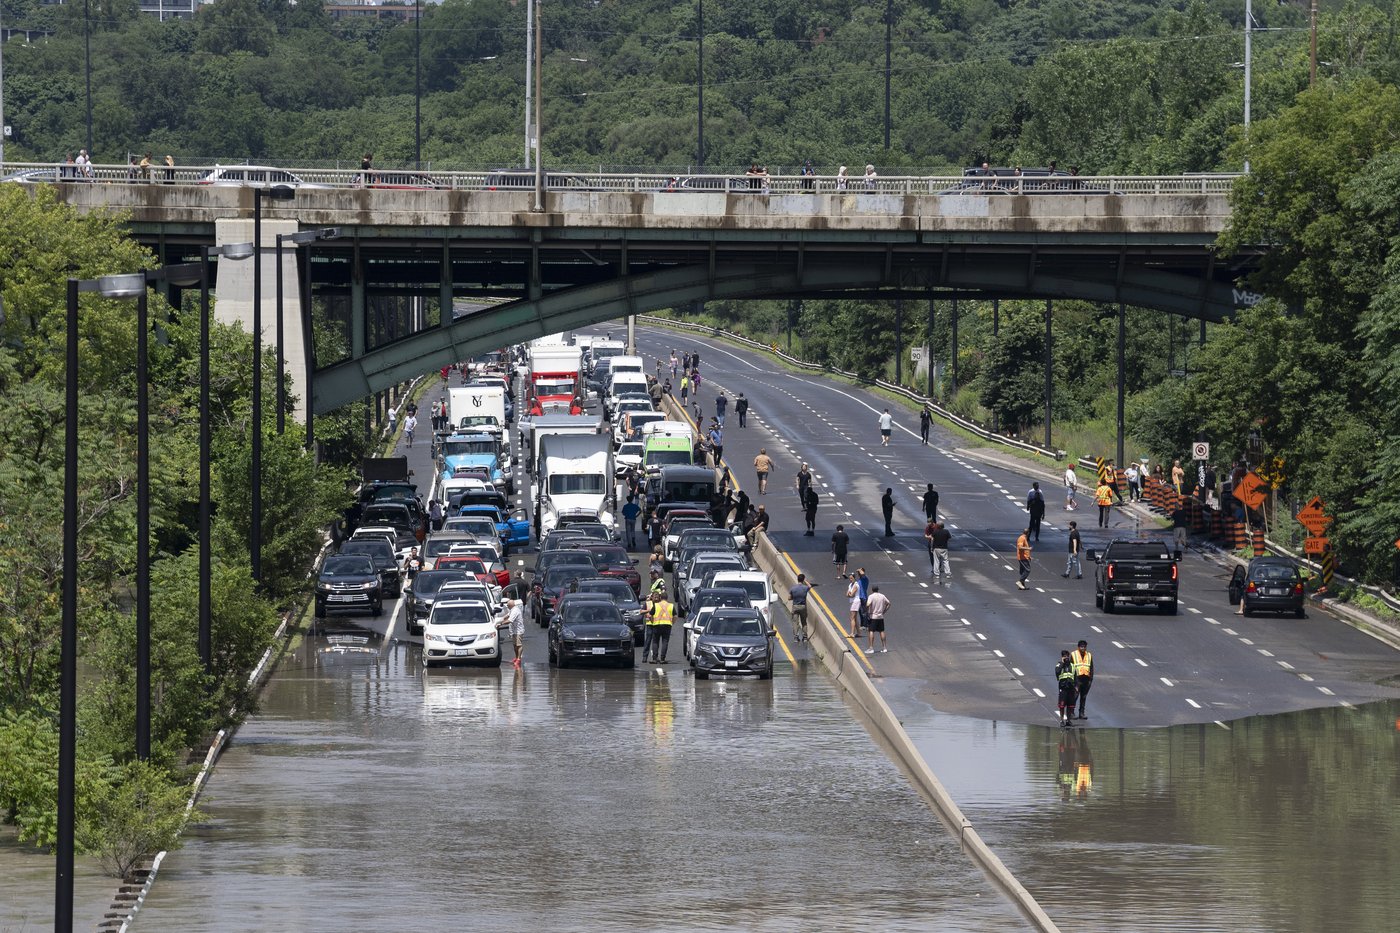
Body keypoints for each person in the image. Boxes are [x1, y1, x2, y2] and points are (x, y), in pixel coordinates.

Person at [645, 589, 675, 663]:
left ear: (660, 598)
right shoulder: (671, 605)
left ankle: (655, 659)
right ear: (667, 598)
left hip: (657, 625)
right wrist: (672, 622)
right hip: (667, 625)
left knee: (655, 642)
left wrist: (652, 621)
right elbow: (675, 616)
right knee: (665, 642)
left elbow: (649, 615)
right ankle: (662, 659)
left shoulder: (656, 605)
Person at [1071, 640, 1094, 719]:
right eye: (1081, 647)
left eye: (1084, 647)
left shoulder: (1089, 655)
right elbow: (1071, 668)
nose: (1083, 648)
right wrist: (1073, 682)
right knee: (1075, 696)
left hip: (1086, 679)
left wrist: (1091, 680)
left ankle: (1081, 713)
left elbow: (1091, 668)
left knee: (1083, 697)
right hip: (1077, 679)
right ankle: (1071, 712)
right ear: (1078, 647)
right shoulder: (1074, 654)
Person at [789, 574, 816, 642]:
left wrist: (794, 597)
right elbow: (810, 586)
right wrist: (806, 581)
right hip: (803, 606)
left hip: (795, 606)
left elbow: (789, 598)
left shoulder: (793, 588)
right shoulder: (805, 588)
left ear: (797, 579)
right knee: (804, 622)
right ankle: (805, 637)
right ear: (803, 579)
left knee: (795, 622)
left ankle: (796, 637)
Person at [864, 585, 890, 654]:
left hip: (873, 616)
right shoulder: (882, 596)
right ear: (878, 589)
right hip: (880, 616)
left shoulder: (871, 596)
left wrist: (867, 611)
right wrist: (884, 611)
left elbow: (868, 604)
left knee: (871, 631)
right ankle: (884, 647)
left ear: (872, 590)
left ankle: (871, 648)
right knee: (881, 631)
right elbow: (888, 603)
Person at [1056, 650, 1079, 726]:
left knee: (1070, 706)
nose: (1066, 657)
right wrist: (1062, 663)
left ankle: (1068, 721)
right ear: (1062, 657)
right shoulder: (1059, 665)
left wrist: (1076, 686)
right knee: (1062, 706)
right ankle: (1062, 720)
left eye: (1067, 656)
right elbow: (1057, 672)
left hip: (1071, 688)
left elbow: (1075, 677)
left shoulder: (1072, 666)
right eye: (1064, 656)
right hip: (1063, 688)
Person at [505, 598, 526, 668]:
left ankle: (519, 659)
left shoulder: (515, 611)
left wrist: (501, 623)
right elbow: (507, 615)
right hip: (514, 631)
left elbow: (510, 620)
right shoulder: (512, 610)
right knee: (514, 645)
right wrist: (500, 619)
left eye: (508, 606)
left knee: (518, 645)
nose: (507, 607)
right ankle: (516, 657)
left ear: (510, 605)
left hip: (518, 630)